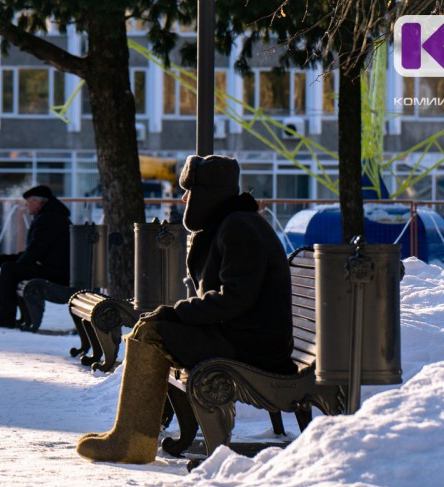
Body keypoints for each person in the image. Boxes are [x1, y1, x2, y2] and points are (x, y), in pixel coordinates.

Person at [76, 154, 294, 464]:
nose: (183, 198)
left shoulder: (238, 228)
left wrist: (177, 313)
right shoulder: (232, 223)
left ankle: (132, 439)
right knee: (154, 326)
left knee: (154, 332)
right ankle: (133, 432)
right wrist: (177, 313)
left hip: (254, 345)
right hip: (245, 335)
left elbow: (234, 298)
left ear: (208, 193)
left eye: (189, 191)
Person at [0, 185, 72, 328]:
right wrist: (15, 258)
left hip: (57, 274)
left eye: (28, 202)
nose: (26, 206)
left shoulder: (48, 218)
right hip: (58, 270)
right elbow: (38, 249)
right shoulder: (52, 215)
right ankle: (15, 317)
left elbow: (37, 249)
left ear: (37, 202)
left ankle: (5, 317)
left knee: (9, 270)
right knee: (12, 267)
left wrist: (16, 261)